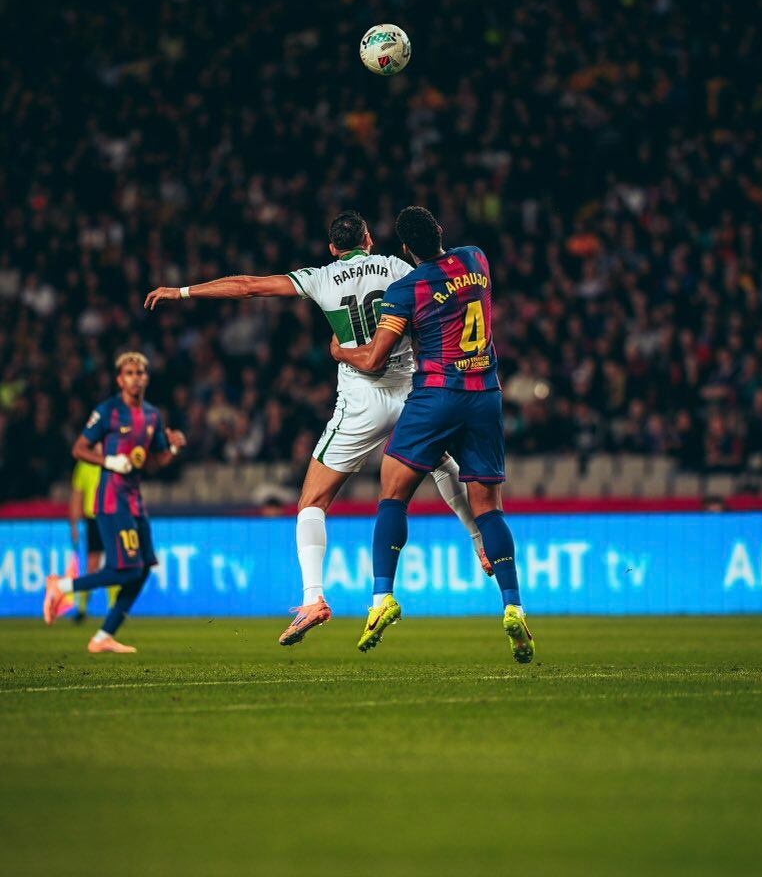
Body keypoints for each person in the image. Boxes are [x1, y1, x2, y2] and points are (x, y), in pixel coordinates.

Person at [144, 210, 491, 647]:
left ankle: (314, 599)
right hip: (409, 389)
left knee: (312, 501)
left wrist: (182, 291)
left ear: (332, 248)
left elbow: (249, 287)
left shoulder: (321, 277)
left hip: (361, 402)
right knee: (441, 462)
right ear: (368, 238)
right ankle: (481, 541)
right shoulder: (399, 267)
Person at [331, 206, 534, 663]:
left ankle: (383, 598)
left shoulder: (406, 289)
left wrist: (340, 351)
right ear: (440, 230)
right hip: (485, 395)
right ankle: (512, 605)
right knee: (489, 509)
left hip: (437, 396)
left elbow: (375, 360)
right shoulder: (477, 260)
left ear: (405, 249)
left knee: (393, 493)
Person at [43, 352, 186, 653]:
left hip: (135, 501)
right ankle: (61, 587)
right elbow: (79, 449)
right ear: (120, 379)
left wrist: (172, 447)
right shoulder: (108, 411)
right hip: (110, 500)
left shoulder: (152, 416)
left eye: (141, 372)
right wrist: (108, 460)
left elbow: (154, 463)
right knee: (129, 569)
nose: (136, 377)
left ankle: (103, 636)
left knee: (144, 568)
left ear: (146, 378)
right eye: (130, 373)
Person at [68, 450, 118, 623]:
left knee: (114, 563)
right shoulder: (84, 464)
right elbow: (77, 494)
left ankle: (114, 608)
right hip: (94, 518)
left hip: (112, 515)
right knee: (92, 565)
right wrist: (74, 524)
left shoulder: (112, 460)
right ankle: (82, 608)